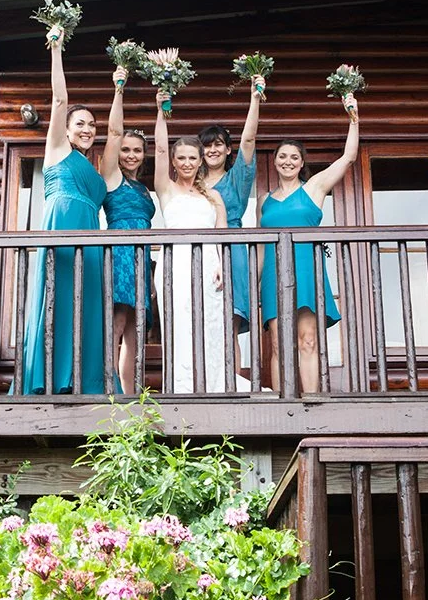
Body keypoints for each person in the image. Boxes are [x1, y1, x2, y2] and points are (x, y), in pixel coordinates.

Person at [18, 22, 107, 395]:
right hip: (62, 224)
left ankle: (83, 379)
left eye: (91, 125)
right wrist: (56, 50)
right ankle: (48, 377)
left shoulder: (94, 167)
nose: (87, 129)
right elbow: (58, 100)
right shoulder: (58, 150)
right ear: (67, 129)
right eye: (80, 123)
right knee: (57, 293)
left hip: (89, 229)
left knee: (85, 302)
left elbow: (114, 135)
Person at [259, 91, 360, 394]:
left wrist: (353, 117)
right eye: (282, 156)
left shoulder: (315, 187)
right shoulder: (264, 200)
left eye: (294, 157)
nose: (287, 162)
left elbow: (349, 157)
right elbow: (262, 244)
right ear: (275, 161)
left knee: (308, 339)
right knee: (278, 342)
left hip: (305, 268)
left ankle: (312, 399)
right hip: (273, 273)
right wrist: (256, 280)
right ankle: (281, 402)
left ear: (301, 162)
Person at [153, 90, 228, 393]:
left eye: (192, 158)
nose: (186, 163)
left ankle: (212, 383)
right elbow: (158, 149)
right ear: (173, 160)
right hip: (176, 263)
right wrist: (161, 111)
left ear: (200, 162)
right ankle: (182, 385)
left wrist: (221, 264)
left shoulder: (214, 196)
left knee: (209, 323)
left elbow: (222, 234)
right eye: (180, 158)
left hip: (209, 262)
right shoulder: (166, 188)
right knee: (179, 322)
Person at [198, 71, 265, 375]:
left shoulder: (237, 179)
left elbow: (249, 139)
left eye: (218, 145)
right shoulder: (191, 181)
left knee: (228, 321)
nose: (212, 150)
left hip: (232, 249)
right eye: (207, 146)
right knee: (202, 322)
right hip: (199, 250)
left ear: (227, 149)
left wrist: (254, 98)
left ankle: (232, 384)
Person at [99, 63, 155, 394]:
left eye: (137, 151)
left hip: (141, 256)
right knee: (117, 322)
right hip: (120, 249)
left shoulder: (144, 189)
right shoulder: (112, 176)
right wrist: (119, 88)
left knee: (138, 327)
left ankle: (131, 393)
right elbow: (115, 133)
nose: (131, 155)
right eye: (126, 150)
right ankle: (107, 389)